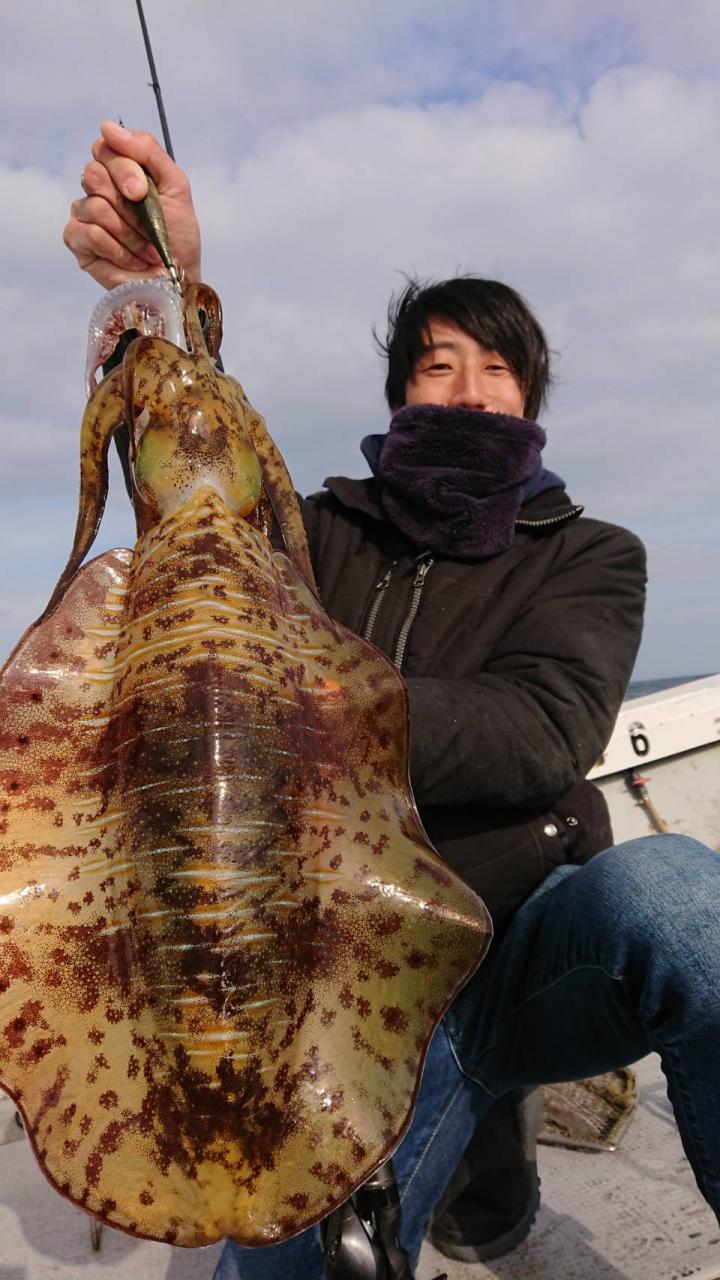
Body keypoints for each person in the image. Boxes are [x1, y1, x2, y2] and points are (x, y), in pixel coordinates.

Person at [64, 122, 720, 1278]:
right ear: (400, 389)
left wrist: (296, 698)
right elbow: (195, 504)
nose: (467, 391)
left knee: (684, 899)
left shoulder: (594, 554)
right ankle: (458, 1161)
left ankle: (486, 1127)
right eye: (437, 364)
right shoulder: (317, 532)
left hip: (523, 941)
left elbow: (539, 736)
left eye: (496, 367)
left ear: (530, 398)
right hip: (329, 959)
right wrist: (163, 295)